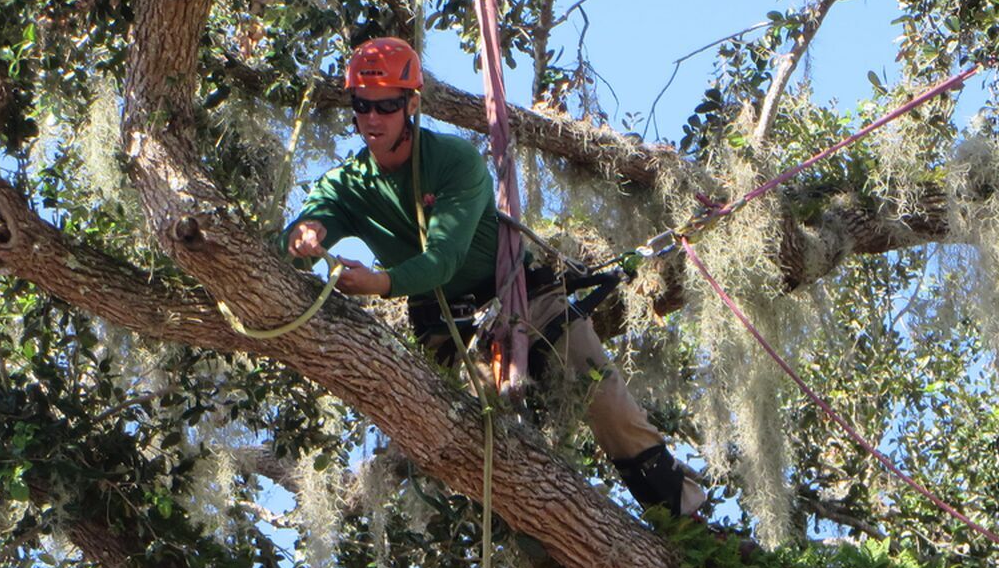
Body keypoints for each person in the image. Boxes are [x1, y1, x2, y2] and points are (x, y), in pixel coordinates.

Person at [286, 37, 706, 518]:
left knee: (607, 400)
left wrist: (379, 283)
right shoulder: (348, 185)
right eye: (363, 106)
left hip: (521, 296)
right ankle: (549, 547)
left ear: (412, 105)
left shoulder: (453, 163)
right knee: (490, 443)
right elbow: (301, 231)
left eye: (387, 106)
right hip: (450, 330)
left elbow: (442, 258)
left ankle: (683, 518)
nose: (373, 119)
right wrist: (305, 234)